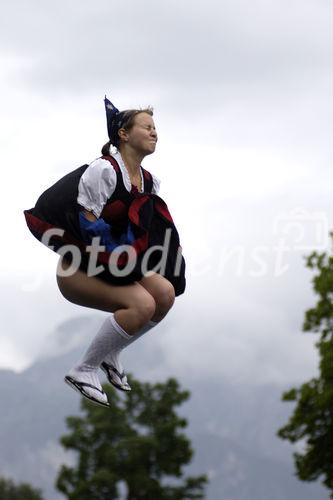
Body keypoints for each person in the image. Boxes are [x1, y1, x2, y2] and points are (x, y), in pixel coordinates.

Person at [23, 96, 186, 408]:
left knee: (164, 294)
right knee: (142, 305)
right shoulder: (104, 171)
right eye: (147, 127)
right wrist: (126, 261)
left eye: (156, 128)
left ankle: (112, 352)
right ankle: (83, 370)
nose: (154, 133)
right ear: (123, 134)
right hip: (79, 269)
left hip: (115, 264)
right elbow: (90, 227)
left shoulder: (150, 182)